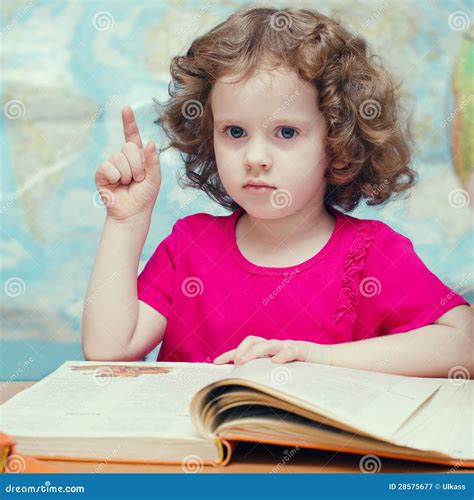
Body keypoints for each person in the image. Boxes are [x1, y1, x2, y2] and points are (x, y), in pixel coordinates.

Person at [82, 7, 472, 378]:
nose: (255, 157)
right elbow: (109, 350)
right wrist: (126, 221)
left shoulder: (372, 254)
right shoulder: (190, 245)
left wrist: (318, 358)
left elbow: (464, 345)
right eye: (235, 132)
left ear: (337, 140)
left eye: (286, 133)